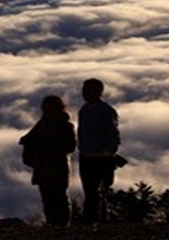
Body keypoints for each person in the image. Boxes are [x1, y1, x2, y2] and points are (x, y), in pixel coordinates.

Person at [19, 95, 77, 226]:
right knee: (47, 197)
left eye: (49, 107)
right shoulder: (42, 124)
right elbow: (29, 137)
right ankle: (52, 223)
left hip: (57, 166)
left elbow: (70, 146)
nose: (46, 110)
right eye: (45, 108)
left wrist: (49, 147)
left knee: (59, 196)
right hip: (43, 166)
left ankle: (62, 224)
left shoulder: (65, 126)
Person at [77, 78, 121, 224]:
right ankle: (93, 220)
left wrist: (110, 153)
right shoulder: (84, 110)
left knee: (98, 192)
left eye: (89, 90)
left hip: (102, 157)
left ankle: (96, 220)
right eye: (84, 90)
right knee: (90, 191)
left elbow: (112, 133)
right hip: (86, 156)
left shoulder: (106, 111)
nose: (85, 93)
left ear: (99, 92)